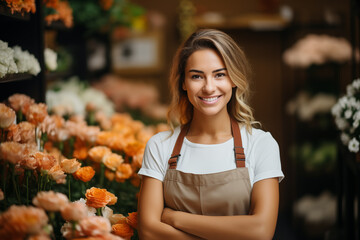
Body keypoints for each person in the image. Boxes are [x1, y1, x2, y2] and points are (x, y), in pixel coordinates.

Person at [137, 29, 284, 240]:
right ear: (183, 83)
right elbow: (149, 231)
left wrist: (176, 219)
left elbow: (261, 231)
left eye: (219, 75)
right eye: (196, 76)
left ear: (234, 79)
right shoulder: (160, 146)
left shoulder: (261, 144)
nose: (208, 87)